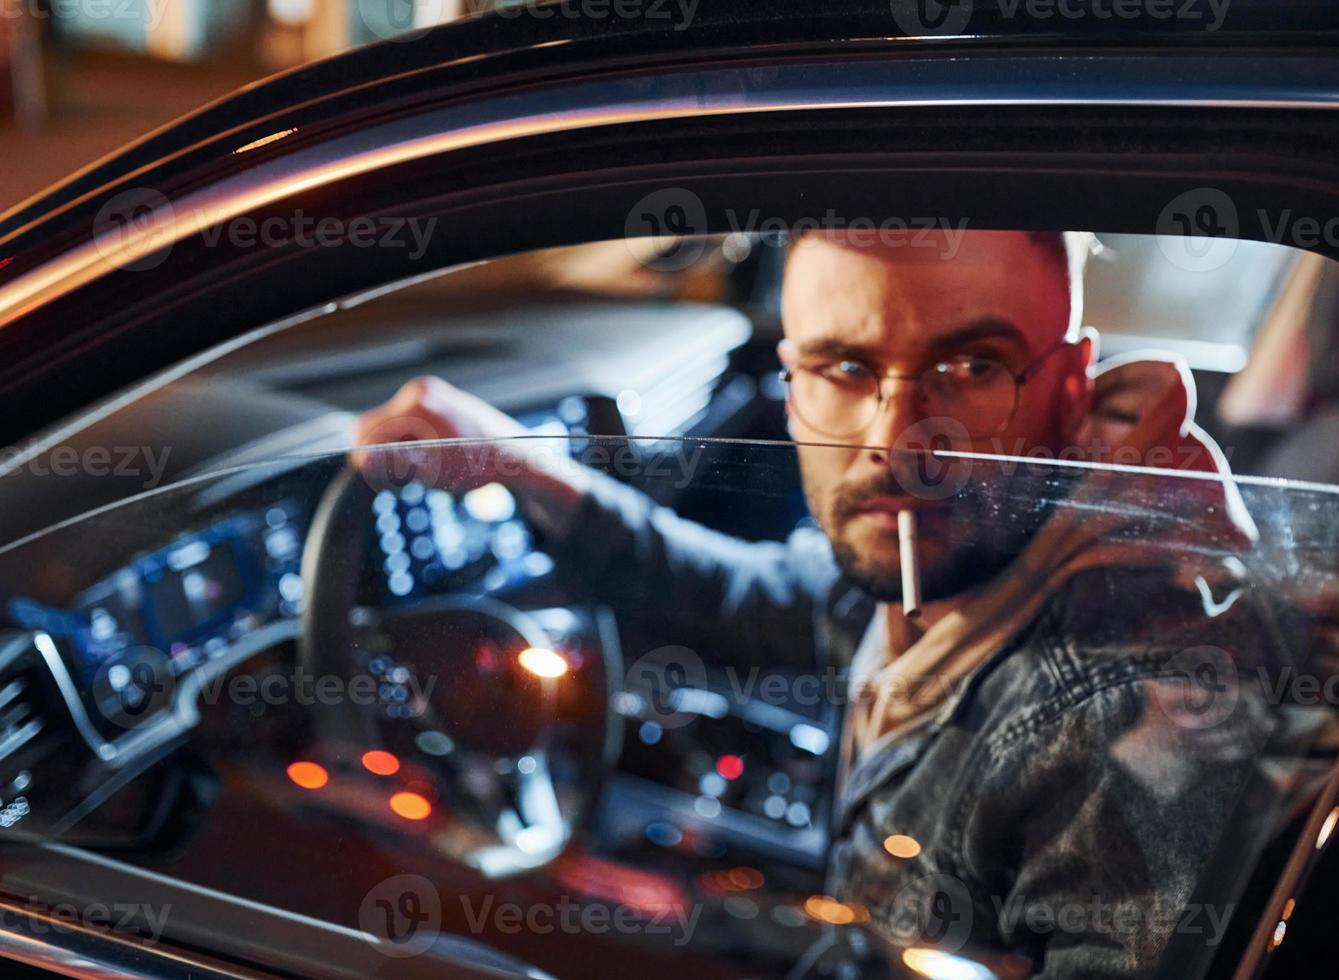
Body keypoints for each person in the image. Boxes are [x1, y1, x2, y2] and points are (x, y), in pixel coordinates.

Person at [353, 230, 1288, 978]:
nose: (896, 443)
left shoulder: (1130, 726)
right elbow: (739, 596)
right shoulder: (948, 558)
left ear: (1073, 381)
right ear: (791, 382)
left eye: (970, 368)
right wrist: (521, 468)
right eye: (844, 369)